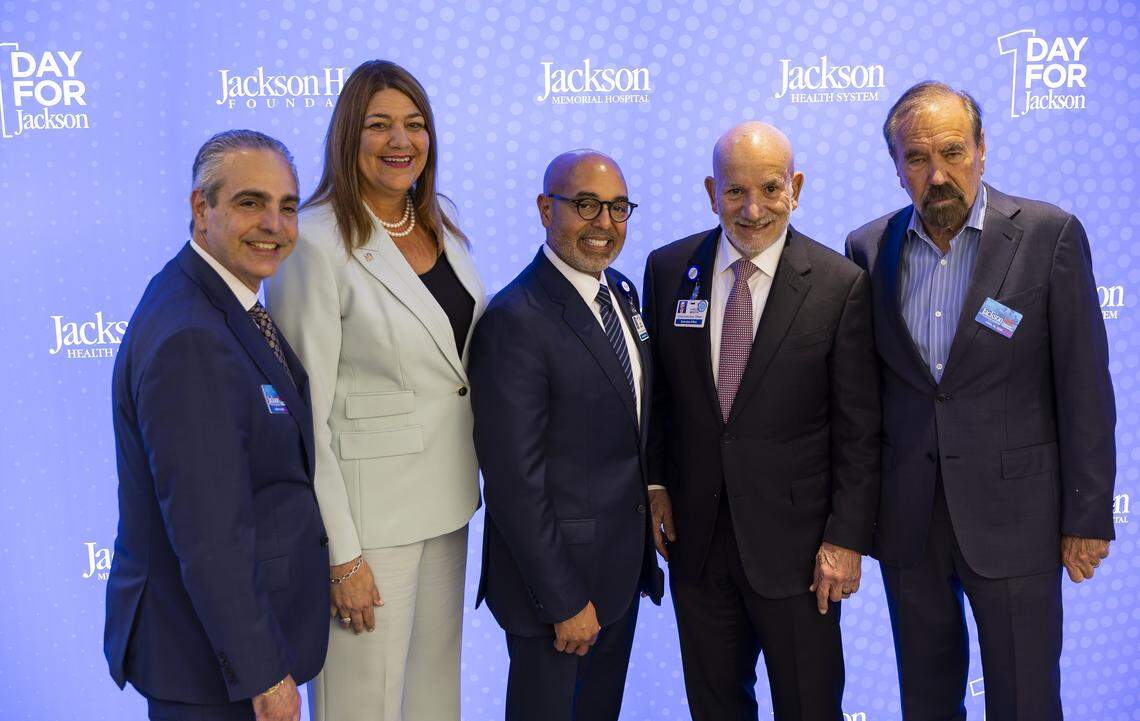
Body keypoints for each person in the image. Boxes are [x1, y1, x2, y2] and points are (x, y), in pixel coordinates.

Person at [846, 81, 1116, 721]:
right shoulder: (866, 249)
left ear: (982, 149)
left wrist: (1087, 514)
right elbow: (861, 399)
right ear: (896, 167)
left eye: (952, 151)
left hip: (1017, 518)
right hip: (909, 521)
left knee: (1025, 700)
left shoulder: (1048, 236)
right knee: (928, 701)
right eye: (916, 158)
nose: (937, 174)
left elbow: (1085, 387)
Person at [266, 60, 484, 721]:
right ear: (347, 136)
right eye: (380, 125)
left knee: (431, 702)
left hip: (447, 505)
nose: (401, 141)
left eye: (415, 125)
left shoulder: (437, 219)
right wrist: (343, 554)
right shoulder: (312, 240)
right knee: (361, 706)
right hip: (368, 528)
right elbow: (307, 415)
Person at [641, 121, 880, 720]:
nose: (753, 210)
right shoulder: (668, 271)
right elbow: (658, 396)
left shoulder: (839, 285)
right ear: (709, 190)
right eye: (734, 192)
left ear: (795, 187)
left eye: (771, 189)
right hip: (697, 547)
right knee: (715, 707)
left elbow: (859, 429)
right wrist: (654, 483)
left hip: (801, 555)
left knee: (808, 706)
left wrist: (845, 538)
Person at [103, 129, 328, 721]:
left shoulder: (223, 300)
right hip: (211, 667)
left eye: (287, 206)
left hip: (220, 650)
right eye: (251, 203)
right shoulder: (192, 339)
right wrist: (263, 672)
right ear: (201, 209)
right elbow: (210, 534)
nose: (274, 225)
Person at [469, 150, 664, 721]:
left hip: (618, 577)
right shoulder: (516, 319)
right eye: (585, 205)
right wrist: (564, 599)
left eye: (617, 208)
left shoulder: (622, 294)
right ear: (544, 209)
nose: (604, 223)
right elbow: (513, 483)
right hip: (555, 595)